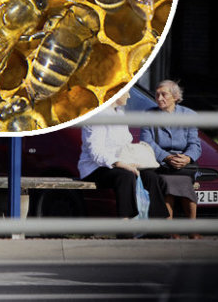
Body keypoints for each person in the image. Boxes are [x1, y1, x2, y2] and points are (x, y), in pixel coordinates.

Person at [78, 89, 169, 220]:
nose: (129, 95)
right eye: (126, 92)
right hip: (96, 168)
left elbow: (126, 144)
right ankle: (126, 224)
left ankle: (159, 224)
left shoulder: (120, 114)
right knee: (126, 176)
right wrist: (122, 164)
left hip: (122, 164)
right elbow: (96, 153)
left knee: (151, 177)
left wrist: (132, 161)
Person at [140, 80, 202, 224]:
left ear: (175, 97)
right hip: (160, 164)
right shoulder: (149, 115)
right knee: (166, 182)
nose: (159, 98)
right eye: (157, 95)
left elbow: (195, 144)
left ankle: (192, 228)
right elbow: (146, 142)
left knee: (185, 181)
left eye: (164, 94)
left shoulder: (189, 115)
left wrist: (187, 158)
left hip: (183, 165)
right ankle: (169, 228)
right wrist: (166, 157)